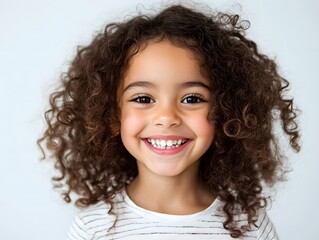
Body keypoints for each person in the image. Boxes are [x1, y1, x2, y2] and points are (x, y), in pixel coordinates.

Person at [38, 4, 300, 239]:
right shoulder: (93, 228)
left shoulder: (251, 227)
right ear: (111, 115)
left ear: (227, 113)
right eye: (142, 98)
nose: (166, 117)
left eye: (191, 99)